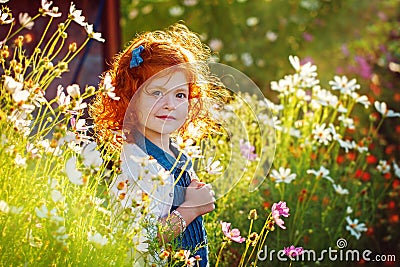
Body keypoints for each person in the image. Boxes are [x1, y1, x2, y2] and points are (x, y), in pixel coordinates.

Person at [90, 23, 228, 266]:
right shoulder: (136, 165)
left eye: (180, 95)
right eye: (156, 93)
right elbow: (142, 238)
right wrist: (191, 209)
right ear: (129, 97)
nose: (169, 104)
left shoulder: (176, 154)